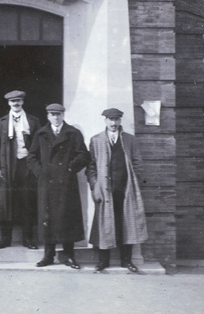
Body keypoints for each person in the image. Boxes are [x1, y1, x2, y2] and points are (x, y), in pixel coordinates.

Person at [27, 103, 90, 269]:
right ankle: (48, 255)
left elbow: (84, 155)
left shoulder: (73, 133)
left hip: (66, 183)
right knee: (48, 218)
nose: (55, 117)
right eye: (52, 114)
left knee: (67, 218)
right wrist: (40, 172)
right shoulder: (40, 134)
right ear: (47, 116)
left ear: (63, 115)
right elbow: (31, 156)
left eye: (58, 114)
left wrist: (70, 168)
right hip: (47, 183)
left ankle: (69, 256)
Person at [86, 108, 148, 273]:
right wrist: (94, 186)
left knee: (126, 224)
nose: (113, 123)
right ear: (105, 120)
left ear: (120, 120)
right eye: (110, 120)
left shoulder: (129, 140)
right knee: (103, 225)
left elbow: (137, 163)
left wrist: (134, 183)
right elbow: (91, 167)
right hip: (104, 191)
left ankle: (126, 261)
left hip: (125, 190)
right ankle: (102, 261)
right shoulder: (96, 140)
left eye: (116, 119)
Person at [0, 90, 40, 249]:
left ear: (23, 102)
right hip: (7, 166)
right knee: (6, 203)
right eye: (13, 101)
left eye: (19, 100)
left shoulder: (33, 121)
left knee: (27, 203)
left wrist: (36, 167)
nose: (16, 104)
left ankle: (28, 239)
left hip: (26, 166)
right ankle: (5, 239)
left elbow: (38, 146)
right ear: (8, 103)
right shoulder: (2, 122)